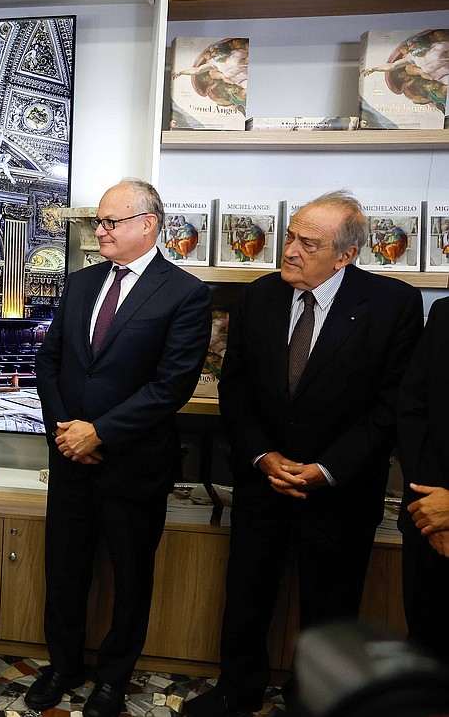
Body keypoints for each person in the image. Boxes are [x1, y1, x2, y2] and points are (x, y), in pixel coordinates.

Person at [185, 190, 424, 717]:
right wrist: (261, 457)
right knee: (247, 592)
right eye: (290, 235)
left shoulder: (394, 304)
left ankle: (314, 699)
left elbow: (390, 408)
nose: (288, 250)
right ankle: (236, 688)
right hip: (262, 479)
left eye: (306, 243)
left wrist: (327, 469)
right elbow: (236, 389)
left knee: (330, 605)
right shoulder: (258, 297)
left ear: (345, 255)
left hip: (341, 489)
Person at [30, 178, 212, 717]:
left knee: (131, 579)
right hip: (70, 461)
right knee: (64, 572)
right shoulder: (81, 283)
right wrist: (68, 431)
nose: (101, 231)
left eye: (110, 222)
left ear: (148, 224)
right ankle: (63, 665)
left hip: (133, 467)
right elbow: (50, 363)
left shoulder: (185, 293)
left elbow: (171, 386)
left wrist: (99, 432)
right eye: (99, 222)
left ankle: (112, 677)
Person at [396, 296, 449, 663]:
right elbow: (413, 410)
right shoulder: (445, 314)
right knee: (427, 655)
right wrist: (432, 508)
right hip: (429, 521)